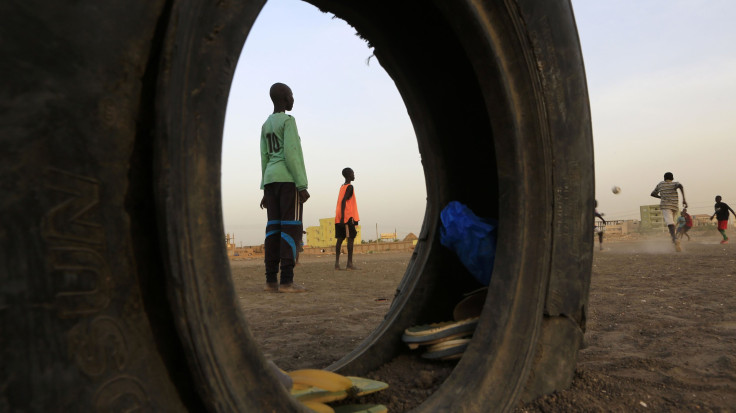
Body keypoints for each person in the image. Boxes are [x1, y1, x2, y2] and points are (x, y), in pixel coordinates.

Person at [259, 82, 309, 293]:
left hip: (271, 180)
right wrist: (301, 184)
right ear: (284, 99)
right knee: (291, 227)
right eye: (291, 95)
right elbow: (292, 153)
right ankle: (287, 281)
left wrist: (264, 188)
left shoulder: (265, 125)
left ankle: (271, 280)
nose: (293, 99)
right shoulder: (288, 121)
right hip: (288, 181)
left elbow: (264, 156)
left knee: (274, 229)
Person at [650, 172, 687, 251]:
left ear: (664, 178)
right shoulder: (674, 184)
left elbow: (652, 194)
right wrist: (684, 199)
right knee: (672, 223)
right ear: (672, 178)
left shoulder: (660, 184)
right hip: (674, 206)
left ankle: (674, 238)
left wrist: (661, 197)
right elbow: (680, 186)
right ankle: (674, 241)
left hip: (665, 206)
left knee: (670, 223)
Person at [334, 167, 360, 270]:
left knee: (340, 240)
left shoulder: (342, 187)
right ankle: (349, 264)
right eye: (353, 173)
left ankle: (336, 264)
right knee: (350, 239)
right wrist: (344, 218)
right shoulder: (350, 187)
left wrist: (340, 217)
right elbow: (344, 201)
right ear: (349, 175)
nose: (354, 175)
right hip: (347, 217)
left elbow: (343, 201)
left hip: (339, 216)